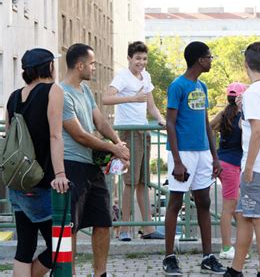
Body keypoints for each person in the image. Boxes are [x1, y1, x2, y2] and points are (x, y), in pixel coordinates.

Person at [61, 43, 130, 276]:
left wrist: (117, 144)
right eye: (92, 64)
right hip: (71, 165)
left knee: (103, 221)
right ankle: (67, 273)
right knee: (71, 227)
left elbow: (99, 122)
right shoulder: (61, 93)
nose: (94, 68)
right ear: (79, 65)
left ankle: (100, 273)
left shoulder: (85, 90)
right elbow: (79, 134)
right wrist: (113, 148)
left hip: (92, 165)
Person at [162, 41, 226, 276]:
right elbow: (170, 123)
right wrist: (177, 161)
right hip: (183, 153)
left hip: (202, 153)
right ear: (200, 60)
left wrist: (215, 157)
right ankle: (169, 257)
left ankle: (208, 257)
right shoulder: (177, 86)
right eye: (209, 57)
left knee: (204, 202)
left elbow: (206, 125)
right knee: (176, 202)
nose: (211, 60)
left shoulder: (203, 86)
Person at [5, 48, 70, 276]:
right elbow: (55, 135)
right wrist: (60, 174)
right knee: (60, 244)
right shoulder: (53, 91)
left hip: (17, 181)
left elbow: (10, 140)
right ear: (48, 66)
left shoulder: (13, 97)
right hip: (41, 181)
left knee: (25, 246)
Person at [224, 42, 260, 277]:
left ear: (245, 63)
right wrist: (243, 109)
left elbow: (258, 131)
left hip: (257, 164)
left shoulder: (253, 93)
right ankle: (236, 269)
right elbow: (255, 125)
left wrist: (248, 167)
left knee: (259, 219)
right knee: (246, 216)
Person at [103, 41, 166, 241]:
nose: (141, 62)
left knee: (143, 183)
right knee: (130, 183)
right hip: (128, 133)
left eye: (144, 58)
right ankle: (123, 229)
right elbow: (106, 98)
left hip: (143, 131)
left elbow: (151, 106)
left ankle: (147, 228)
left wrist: (160, 120)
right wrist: (131, 98)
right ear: (129, 58)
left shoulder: (145, 76)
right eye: (137, 58)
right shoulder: (122, 76)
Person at [210, 82, 247, 259]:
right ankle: (226, 249)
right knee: (228, 209)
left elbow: (209, 127)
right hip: (232, 166)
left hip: (222, 162)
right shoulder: (242, 116)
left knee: (238, 209)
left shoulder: (224, 114)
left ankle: (242, 244)